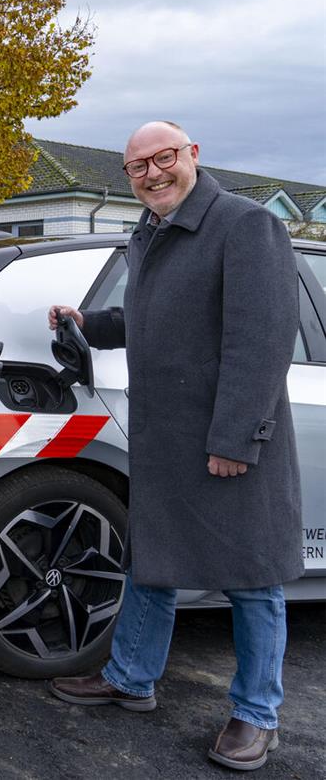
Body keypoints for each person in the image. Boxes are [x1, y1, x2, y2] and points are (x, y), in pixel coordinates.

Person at [47, 121, 303, 772]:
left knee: (252, 580)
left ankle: (256, 714)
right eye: (138, 166)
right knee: (151, 562)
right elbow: (152, 319)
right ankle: (131, 677)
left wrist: (237, 438)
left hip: (228, 439)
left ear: (193, 155)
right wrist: (91, 324)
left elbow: (262, 339)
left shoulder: (246, 224)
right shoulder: (152, 232)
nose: (152, 173)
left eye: (163, 158)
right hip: (165, 438)